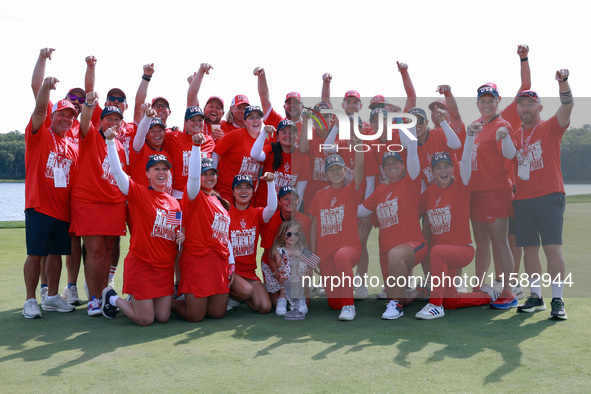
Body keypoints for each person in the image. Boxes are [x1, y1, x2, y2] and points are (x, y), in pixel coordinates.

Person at [99, 128, 184, 325]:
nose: (162, 173)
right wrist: (110, 143)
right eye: (156, 169)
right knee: (145, 319)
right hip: (142, 266)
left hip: (164, 270)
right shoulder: (138, 193)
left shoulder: (174, 202)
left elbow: (173, 234)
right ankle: (112, 297)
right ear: (147, 173)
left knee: (163, 317)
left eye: (165, 169)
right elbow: (117, 172)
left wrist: (180, 237)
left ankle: (138, 300)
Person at [513, 70, 574, 320]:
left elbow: (567, 105)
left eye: (530, 103)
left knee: (552, 248)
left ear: (539, 106)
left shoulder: (550, 126)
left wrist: (563, 83)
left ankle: (557, 299)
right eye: (521, 104)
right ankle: (535, 296)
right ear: (518, 109)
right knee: (529, 250)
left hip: (550, 196)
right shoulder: (514, 136)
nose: (526, 107)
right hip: (522, 199)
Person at [415, 131, 492, 319]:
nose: (443, 171)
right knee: (450, 300)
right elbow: (414, 215)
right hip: (442, 258)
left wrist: (471, 136)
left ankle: (434, 305)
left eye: (446, 167)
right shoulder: (428, 194)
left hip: (462, 251)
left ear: (452, 169)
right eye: (438, 168)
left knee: (438, 250)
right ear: (432, 172)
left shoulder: (461, 186)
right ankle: (487, 296)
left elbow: (465, 162)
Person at [22, 76, 79, 318]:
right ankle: (30, 300)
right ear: (52, 115)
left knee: (56, 255)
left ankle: (53, 297)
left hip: (62, 210)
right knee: (35, 255)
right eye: (61, 115)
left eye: (70, 116)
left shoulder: (73, 147)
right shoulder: (39, 135)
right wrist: (45, 87)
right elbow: (38, 108)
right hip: (39, 206)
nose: (66, 119)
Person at [357, 135, 426, 320]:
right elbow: (362, 210)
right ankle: (417, 292)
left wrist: (406, 125)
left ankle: (396, 306)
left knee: (396, 260)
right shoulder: (381, 189)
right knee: (396, 293)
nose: (391, 166)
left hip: (412, 245)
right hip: (386, 252)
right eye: (387, 164)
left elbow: (412, 152)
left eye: (396, 162)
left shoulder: (411, 181)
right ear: (383, 169)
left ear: (403, 165)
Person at [70, 91, 127, 316]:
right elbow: (84, 121)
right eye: (108, 119)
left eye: (117, 119)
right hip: (89, 202)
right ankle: (93, 298)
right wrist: (90, 104)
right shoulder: (91, 135)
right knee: (94, 250)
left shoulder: (119, 147)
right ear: (101, 122)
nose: (113, 123)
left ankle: (104, 295)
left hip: (114, 203)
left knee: (107, 250)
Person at [172, 134, 235, 322]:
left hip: (219, 263)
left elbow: (225, 237)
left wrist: (231, 263)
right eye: (204, 173)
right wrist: (196, 147)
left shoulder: (219, 199)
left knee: (217, 314)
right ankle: (167, 301)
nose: (209, 177)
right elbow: (192, 178)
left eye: (212, 173)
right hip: (197, 262)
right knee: (195, 316)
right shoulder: (193, 196)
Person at [469, 85, 518, 309]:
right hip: (476, 193)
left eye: (491, 100)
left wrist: (506, 136)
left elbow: (510, 153)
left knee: (499, 242)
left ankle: (509, 290)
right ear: (477, 103)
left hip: (496, 192)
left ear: (498, 101)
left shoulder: (502, 125)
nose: (486, 105)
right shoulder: (477, 126)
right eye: (482, 101)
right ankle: (479, 286)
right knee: (482, 243)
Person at [309, 147, 364, 321]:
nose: (335, 172)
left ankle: (349, 306)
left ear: (345, 170)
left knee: (342, 257)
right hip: (326, 255)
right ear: (326, 174)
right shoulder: (319, 194)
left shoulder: (351, 191)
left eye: (338, 168)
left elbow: (360, 168)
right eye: (331, 170)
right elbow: (314, 225)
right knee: (334, 304)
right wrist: (312, 255)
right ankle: (345, 297)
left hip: (349, 249)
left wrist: (360, 145)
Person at [228, 174, 277, 314]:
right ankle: (227, 295)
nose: (243, 191)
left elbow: (272, 208)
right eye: (239, 188)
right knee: (246, 291)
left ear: (253, 191)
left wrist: (270, 182)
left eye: (248, 187)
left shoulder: (256, 213)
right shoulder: (225, 212)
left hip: (249, 271)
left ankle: (237, 297)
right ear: (232, 192)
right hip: (231, 269)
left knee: (265, 307)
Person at [260, 186, 312, 311]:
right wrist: (276, 273)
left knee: (306, 302)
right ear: (279, 202)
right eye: (286, 198)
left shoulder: (305, 220)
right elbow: (269, 252)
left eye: (294, 198)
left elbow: (307, 249)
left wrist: (309, 269)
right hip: (275, 262)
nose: (290, 202)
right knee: (275, 303)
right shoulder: (271, 220)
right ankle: (267, 288)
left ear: (298, 201)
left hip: (297, 263)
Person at [213, 106, 270, 202]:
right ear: (244, 122)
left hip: (247, 194)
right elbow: (215, 153)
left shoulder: (265, 141)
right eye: (251, 117)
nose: (255, 120)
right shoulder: (235, 135)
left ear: (262, 120)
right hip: (227, 191)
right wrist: (213, 179)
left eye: (258, 117)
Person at [270, 221, 310, 316]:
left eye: (296, 234)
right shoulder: (279, 249)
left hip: (298, 276)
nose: (292, 236)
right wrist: (286, 257)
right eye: (289, 234)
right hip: (285, 276)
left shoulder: (302, 248)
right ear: (282, 236)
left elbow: (308, 264)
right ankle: (282, 298)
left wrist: (299, 255)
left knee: (302, 269)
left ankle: (300, 298)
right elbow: (280, 266)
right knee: (286, 272)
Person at [187, 63, 225, 142]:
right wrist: (201, 71)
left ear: (223, 113)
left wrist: (225, 140)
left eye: (218, 108)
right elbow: (191, 96)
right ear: (204, 109)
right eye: (211, 106)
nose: (214, 109)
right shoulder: (196, 123)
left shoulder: (226, 128)